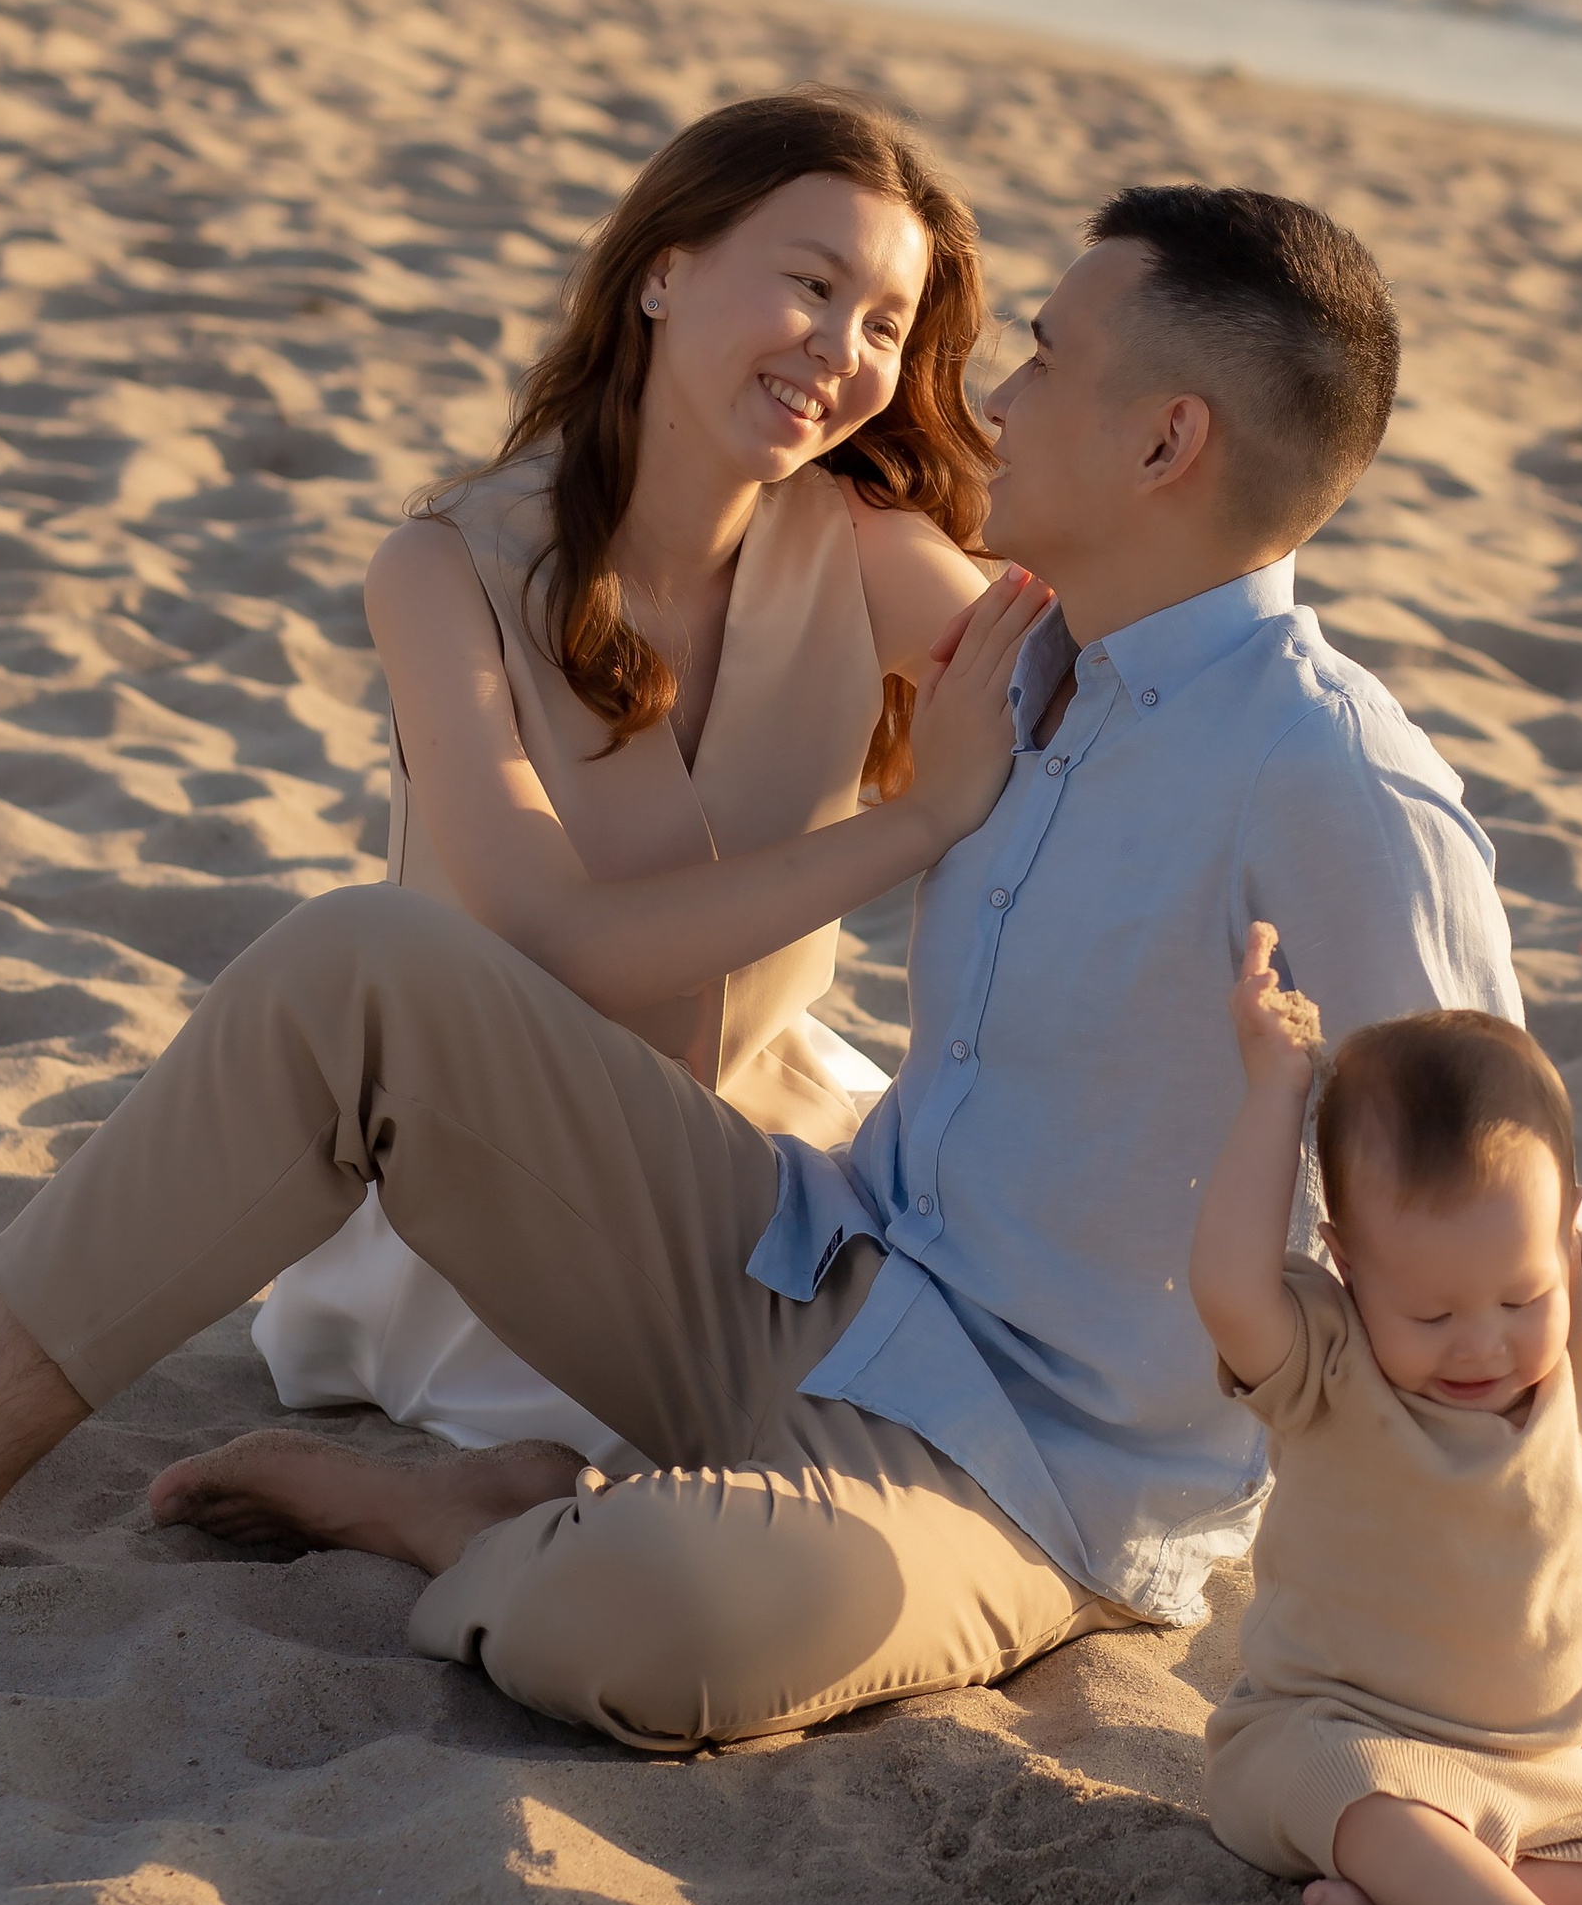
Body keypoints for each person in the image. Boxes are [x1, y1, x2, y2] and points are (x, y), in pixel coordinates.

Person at [0, 174, 1582, 1836]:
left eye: (1033, 351)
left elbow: (1521, 1264)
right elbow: (700, 581)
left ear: (1166, 446)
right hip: (808, 1265)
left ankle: (464, 1510)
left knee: (637, 1621)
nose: (980, 388)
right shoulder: (1024, 645)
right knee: (362, 960)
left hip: (1024, 1480)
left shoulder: (1335, 784)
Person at [250, 86, 1014, 1462]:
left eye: (887, 325)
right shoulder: (445, 571)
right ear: (665, 270)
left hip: (776, 1156)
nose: (842, 351)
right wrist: (926, 822)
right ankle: (426, 1497)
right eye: (811, 283)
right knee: (788, 1448)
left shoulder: (856, 538)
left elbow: (1090, 701)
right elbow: (562, 943)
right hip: (513, 1192)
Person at [1193, 922, 1582, 1905]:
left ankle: (1435, 1899)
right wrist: (1273, 1088)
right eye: (1432, 1311)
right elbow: (1225, 1285)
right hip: (1339, 1735)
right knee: (1357, 1795)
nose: (1482, 1344)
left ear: (1566, 1242)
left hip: (1548, 1771)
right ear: (1346, 1264)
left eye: (1517, 1297)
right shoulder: (1327, 1355)